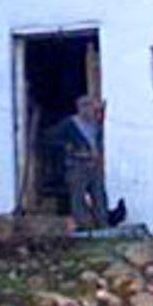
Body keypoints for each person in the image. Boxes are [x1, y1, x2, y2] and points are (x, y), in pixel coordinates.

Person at [49, 95, 109, 229]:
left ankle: (103, 225)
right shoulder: (69, 124)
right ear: (80, 108)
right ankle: (84, 226)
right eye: (86, 107)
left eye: (91, 107)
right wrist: (69, 149)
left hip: (93, 165)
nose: (89, 110)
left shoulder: (95, 123)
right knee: (78, 197)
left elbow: (98, 139)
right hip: (77, 166)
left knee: (99, 195)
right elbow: (51, 137)